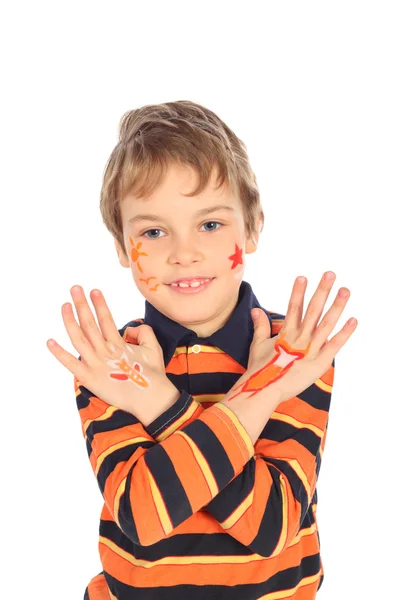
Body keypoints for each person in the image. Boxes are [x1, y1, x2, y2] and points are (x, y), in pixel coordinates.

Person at [47, 100, 357, 599]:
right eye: (152, 231)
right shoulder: (112, 359)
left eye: (210, 225)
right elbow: (146, 516)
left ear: (252, 227)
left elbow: (272, 528)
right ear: (124, 249)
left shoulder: (294, 350)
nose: (183, 252)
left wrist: (157, 405)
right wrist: (260, 394)